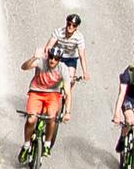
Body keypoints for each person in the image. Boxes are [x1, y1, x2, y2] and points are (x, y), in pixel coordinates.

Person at [20, 14, 85, 151]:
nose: (52, 61)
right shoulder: (56, 37)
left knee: (51, 118)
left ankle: (48, 144)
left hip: (56, 88)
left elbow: (68, 92)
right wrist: (35, 57)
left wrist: (67, 111)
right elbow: (24, 67)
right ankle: (26, 145)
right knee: (31, 119)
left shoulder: (64, 66)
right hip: (37, 92)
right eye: (51, 58)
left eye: (56, 59)